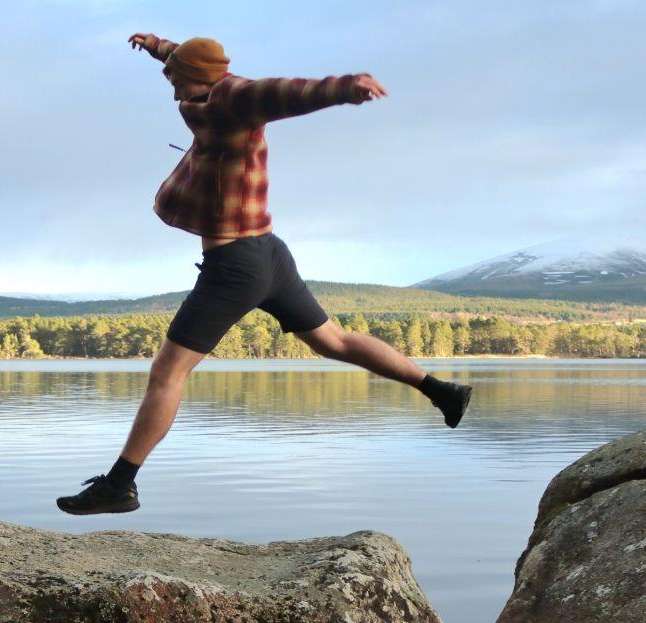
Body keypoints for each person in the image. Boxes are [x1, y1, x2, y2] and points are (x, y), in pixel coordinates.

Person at [56, 33, 473, 515]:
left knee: (166, 373)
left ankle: (120, 485)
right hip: (270, 252)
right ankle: (441, 391)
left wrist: (344, 87)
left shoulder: (235, 96)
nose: (171, 87)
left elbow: (284, 92)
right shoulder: (200, 78)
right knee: (333, 341)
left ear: (199, 77)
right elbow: (180, 55)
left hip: (235, 265)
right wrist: (153, 44)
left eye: (177, 78)